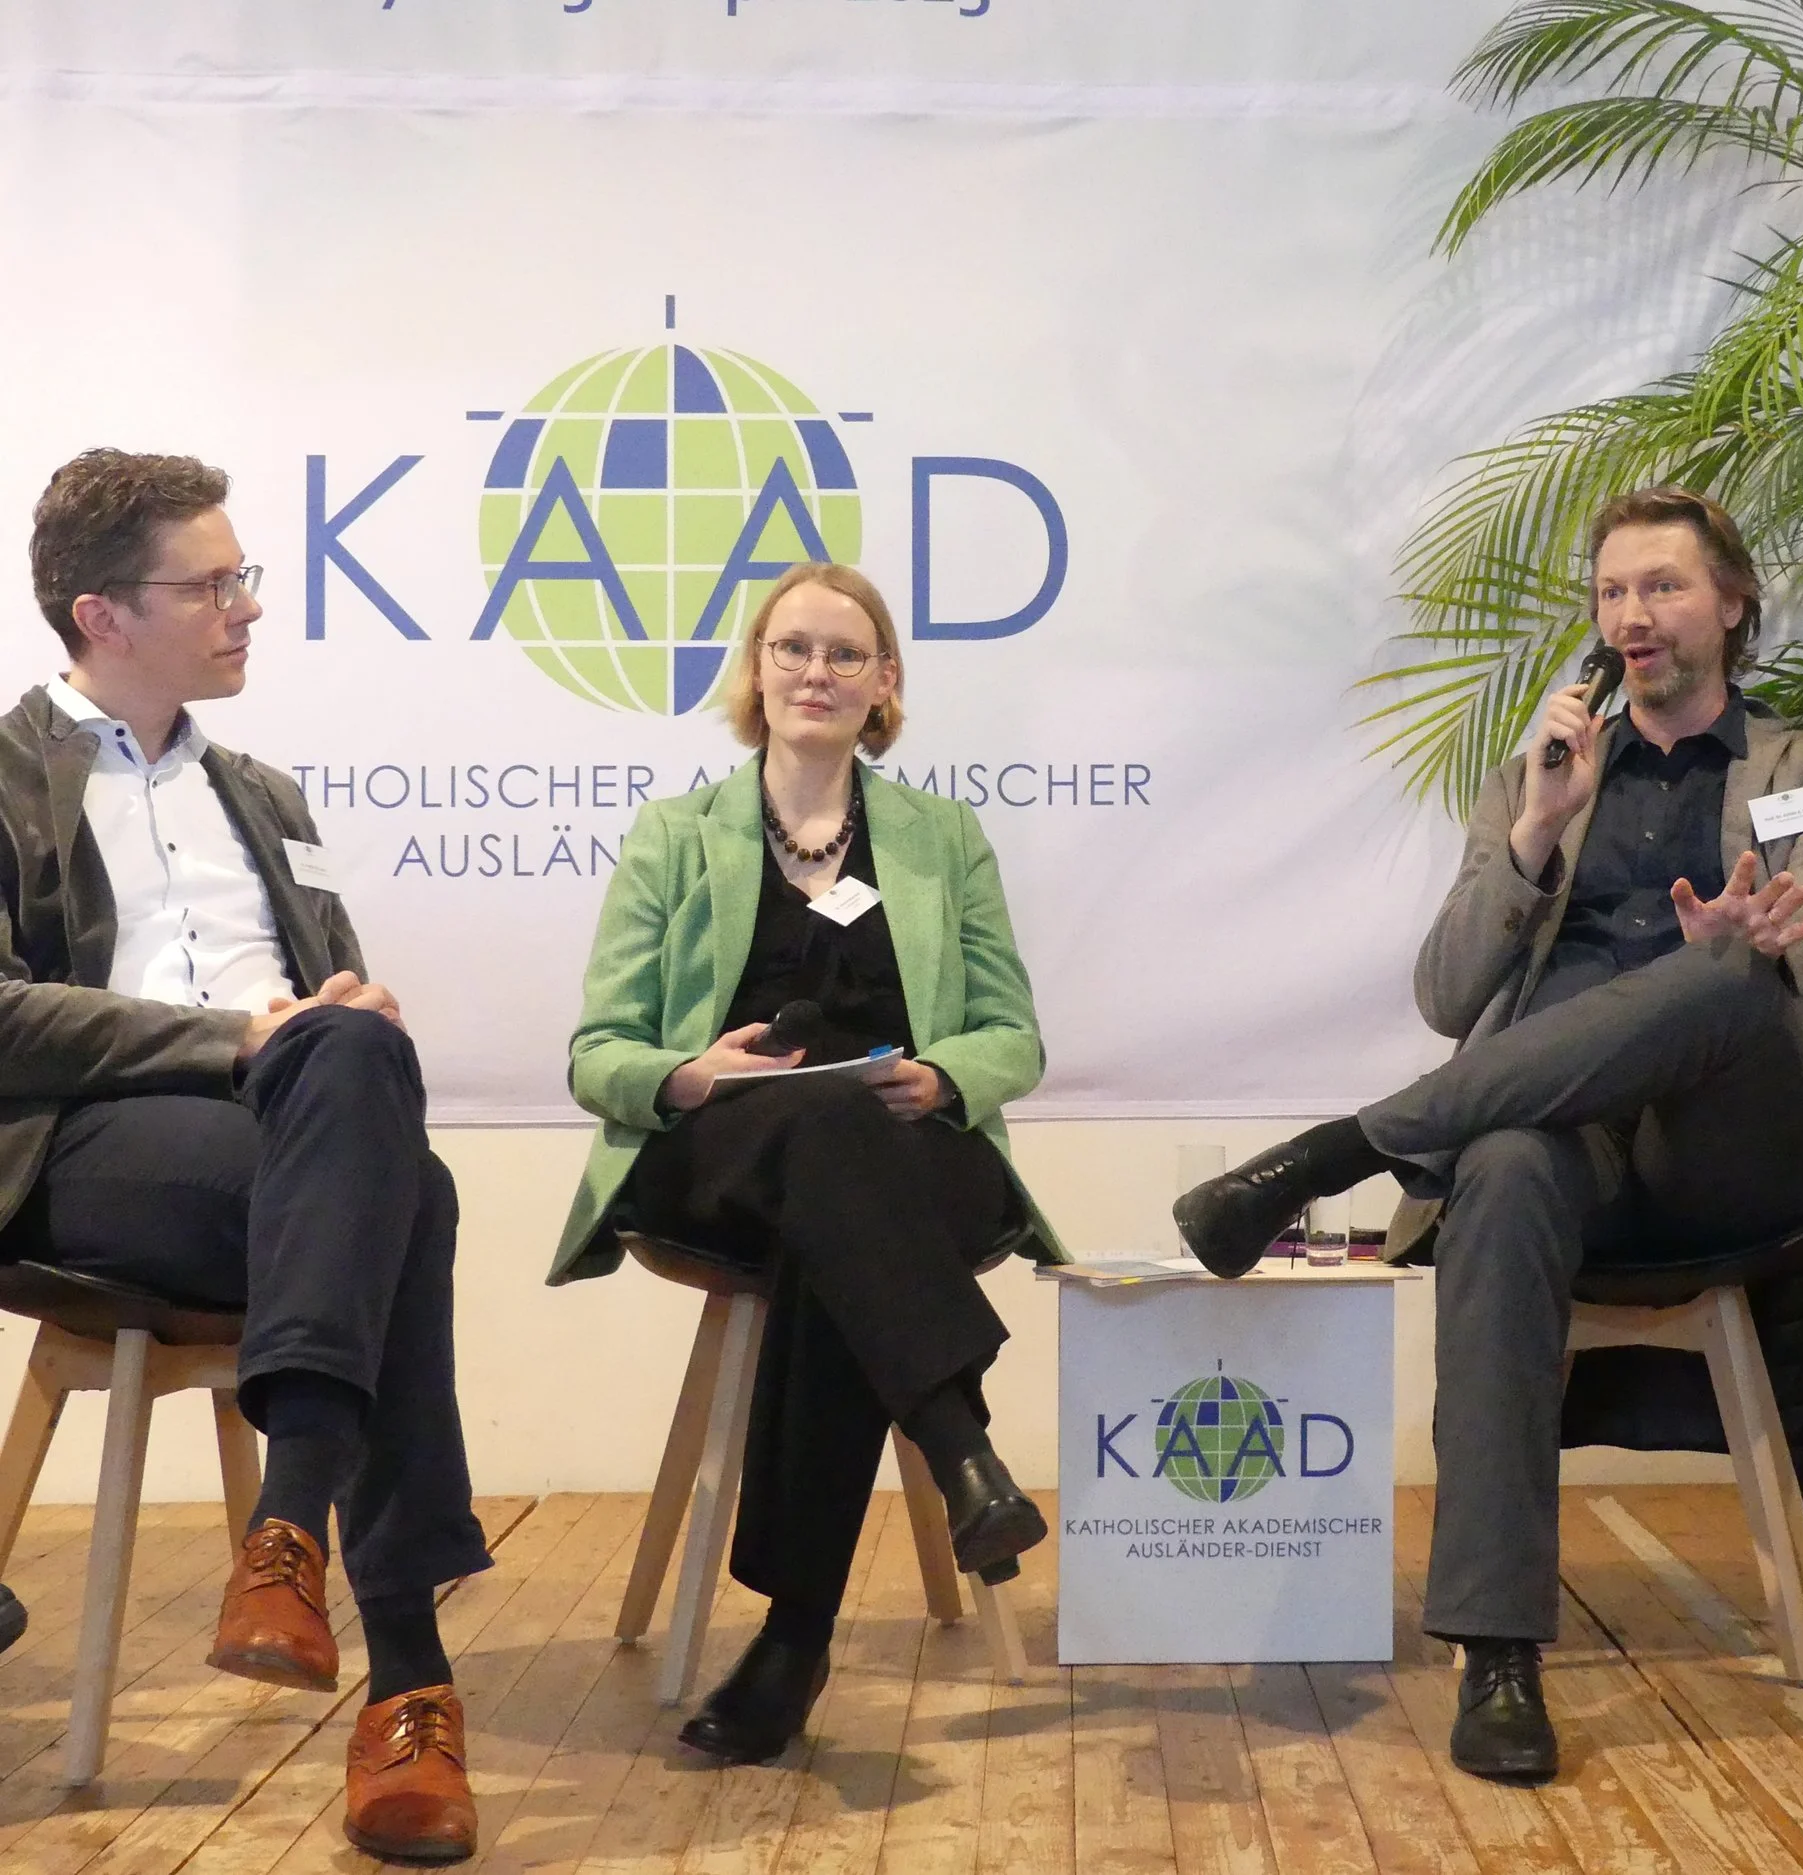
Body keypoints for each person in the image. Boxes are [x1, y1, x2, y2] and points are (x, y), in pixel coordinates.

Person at [1176, 487, 1803, 1783]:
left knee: (1726, 973)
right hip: (1568, 1140)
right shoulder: (1536, 777)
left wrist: (1763, 929)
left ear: (1732, 601)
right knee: (1499, 1167)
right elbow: (1449, 992)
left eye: (1663, 586)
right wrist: (1537, 829)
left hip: (1734, 1142)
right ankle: (1499, 1652)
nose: (1633, 615)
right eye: (1613, 592)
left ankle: (1342, 1150)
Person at [0, 450, 487, 1860]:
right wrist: (234, 1037)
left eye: (243, 578)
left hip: (286, 1146)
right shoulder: (7, 776)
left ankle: (289, 1545)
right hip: (91, 1153)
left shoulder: (267, 796)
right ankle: (401, 1675)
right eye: (209, 586)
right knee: (412, 1196)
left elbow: (336, 1010)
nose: (248, 608)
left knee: (372, 1105)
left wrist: (344, 1011)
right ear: (101, 614)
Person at [554, 561, 1058, 1765]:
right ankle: (957, 1445)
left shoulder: (941, 838)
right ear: (756, 669)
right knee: (822, 1140)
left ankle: (794, 1641)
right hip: (722, 1149)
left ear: (885, 681)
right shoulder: (676, 835)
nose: (815, 672)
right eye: (792, 648)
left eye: (844, 653)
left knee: (841, 1214)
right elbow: (598, 1052)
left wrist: (941, 1078)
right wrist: (692, 1074)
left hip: (911, 1145)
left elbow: (1012, 1036)